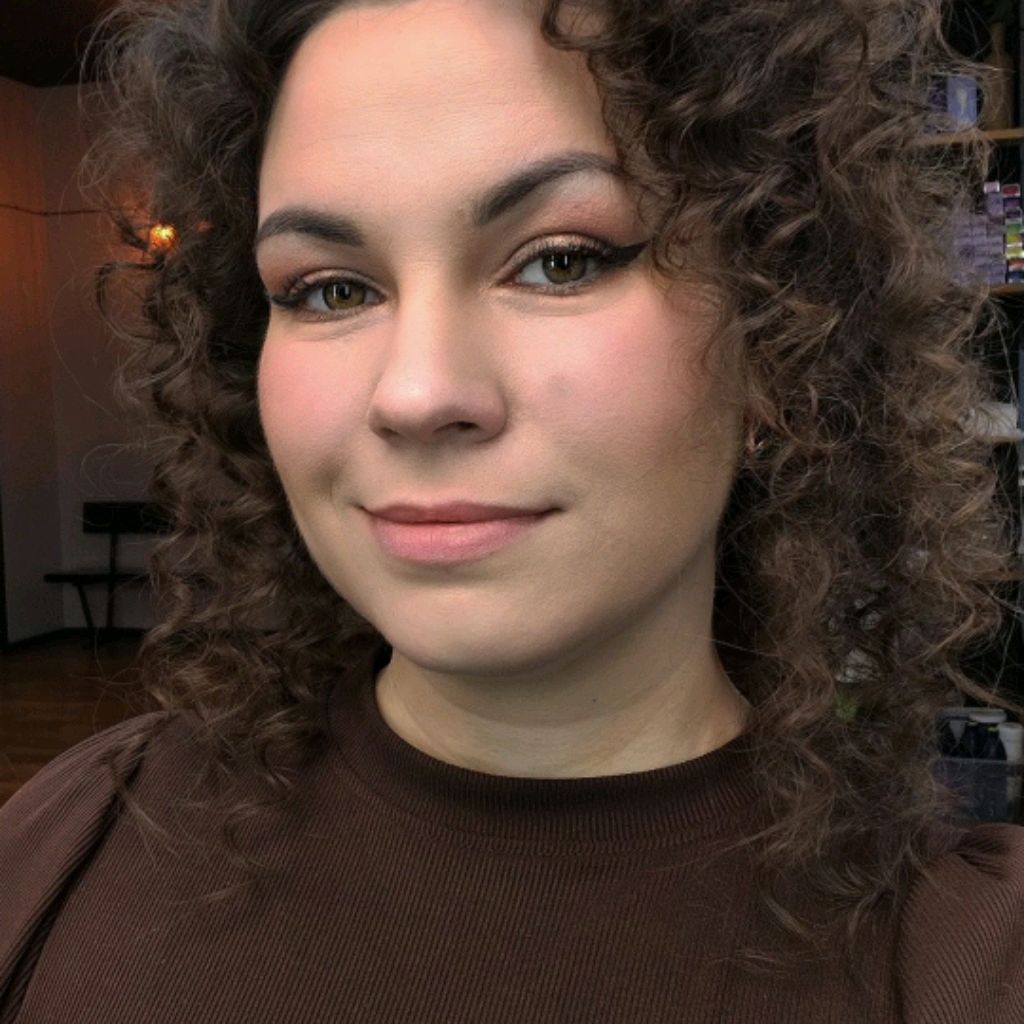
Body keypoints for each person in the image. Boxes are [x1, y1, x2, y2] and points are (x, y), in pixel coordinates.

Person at [2, 0, 1023, 1020]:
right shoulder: (72, 847)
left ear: (777, 338)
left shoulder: (962, 963)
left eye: (560, 260)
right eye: (329, 289)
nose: (417, 393)